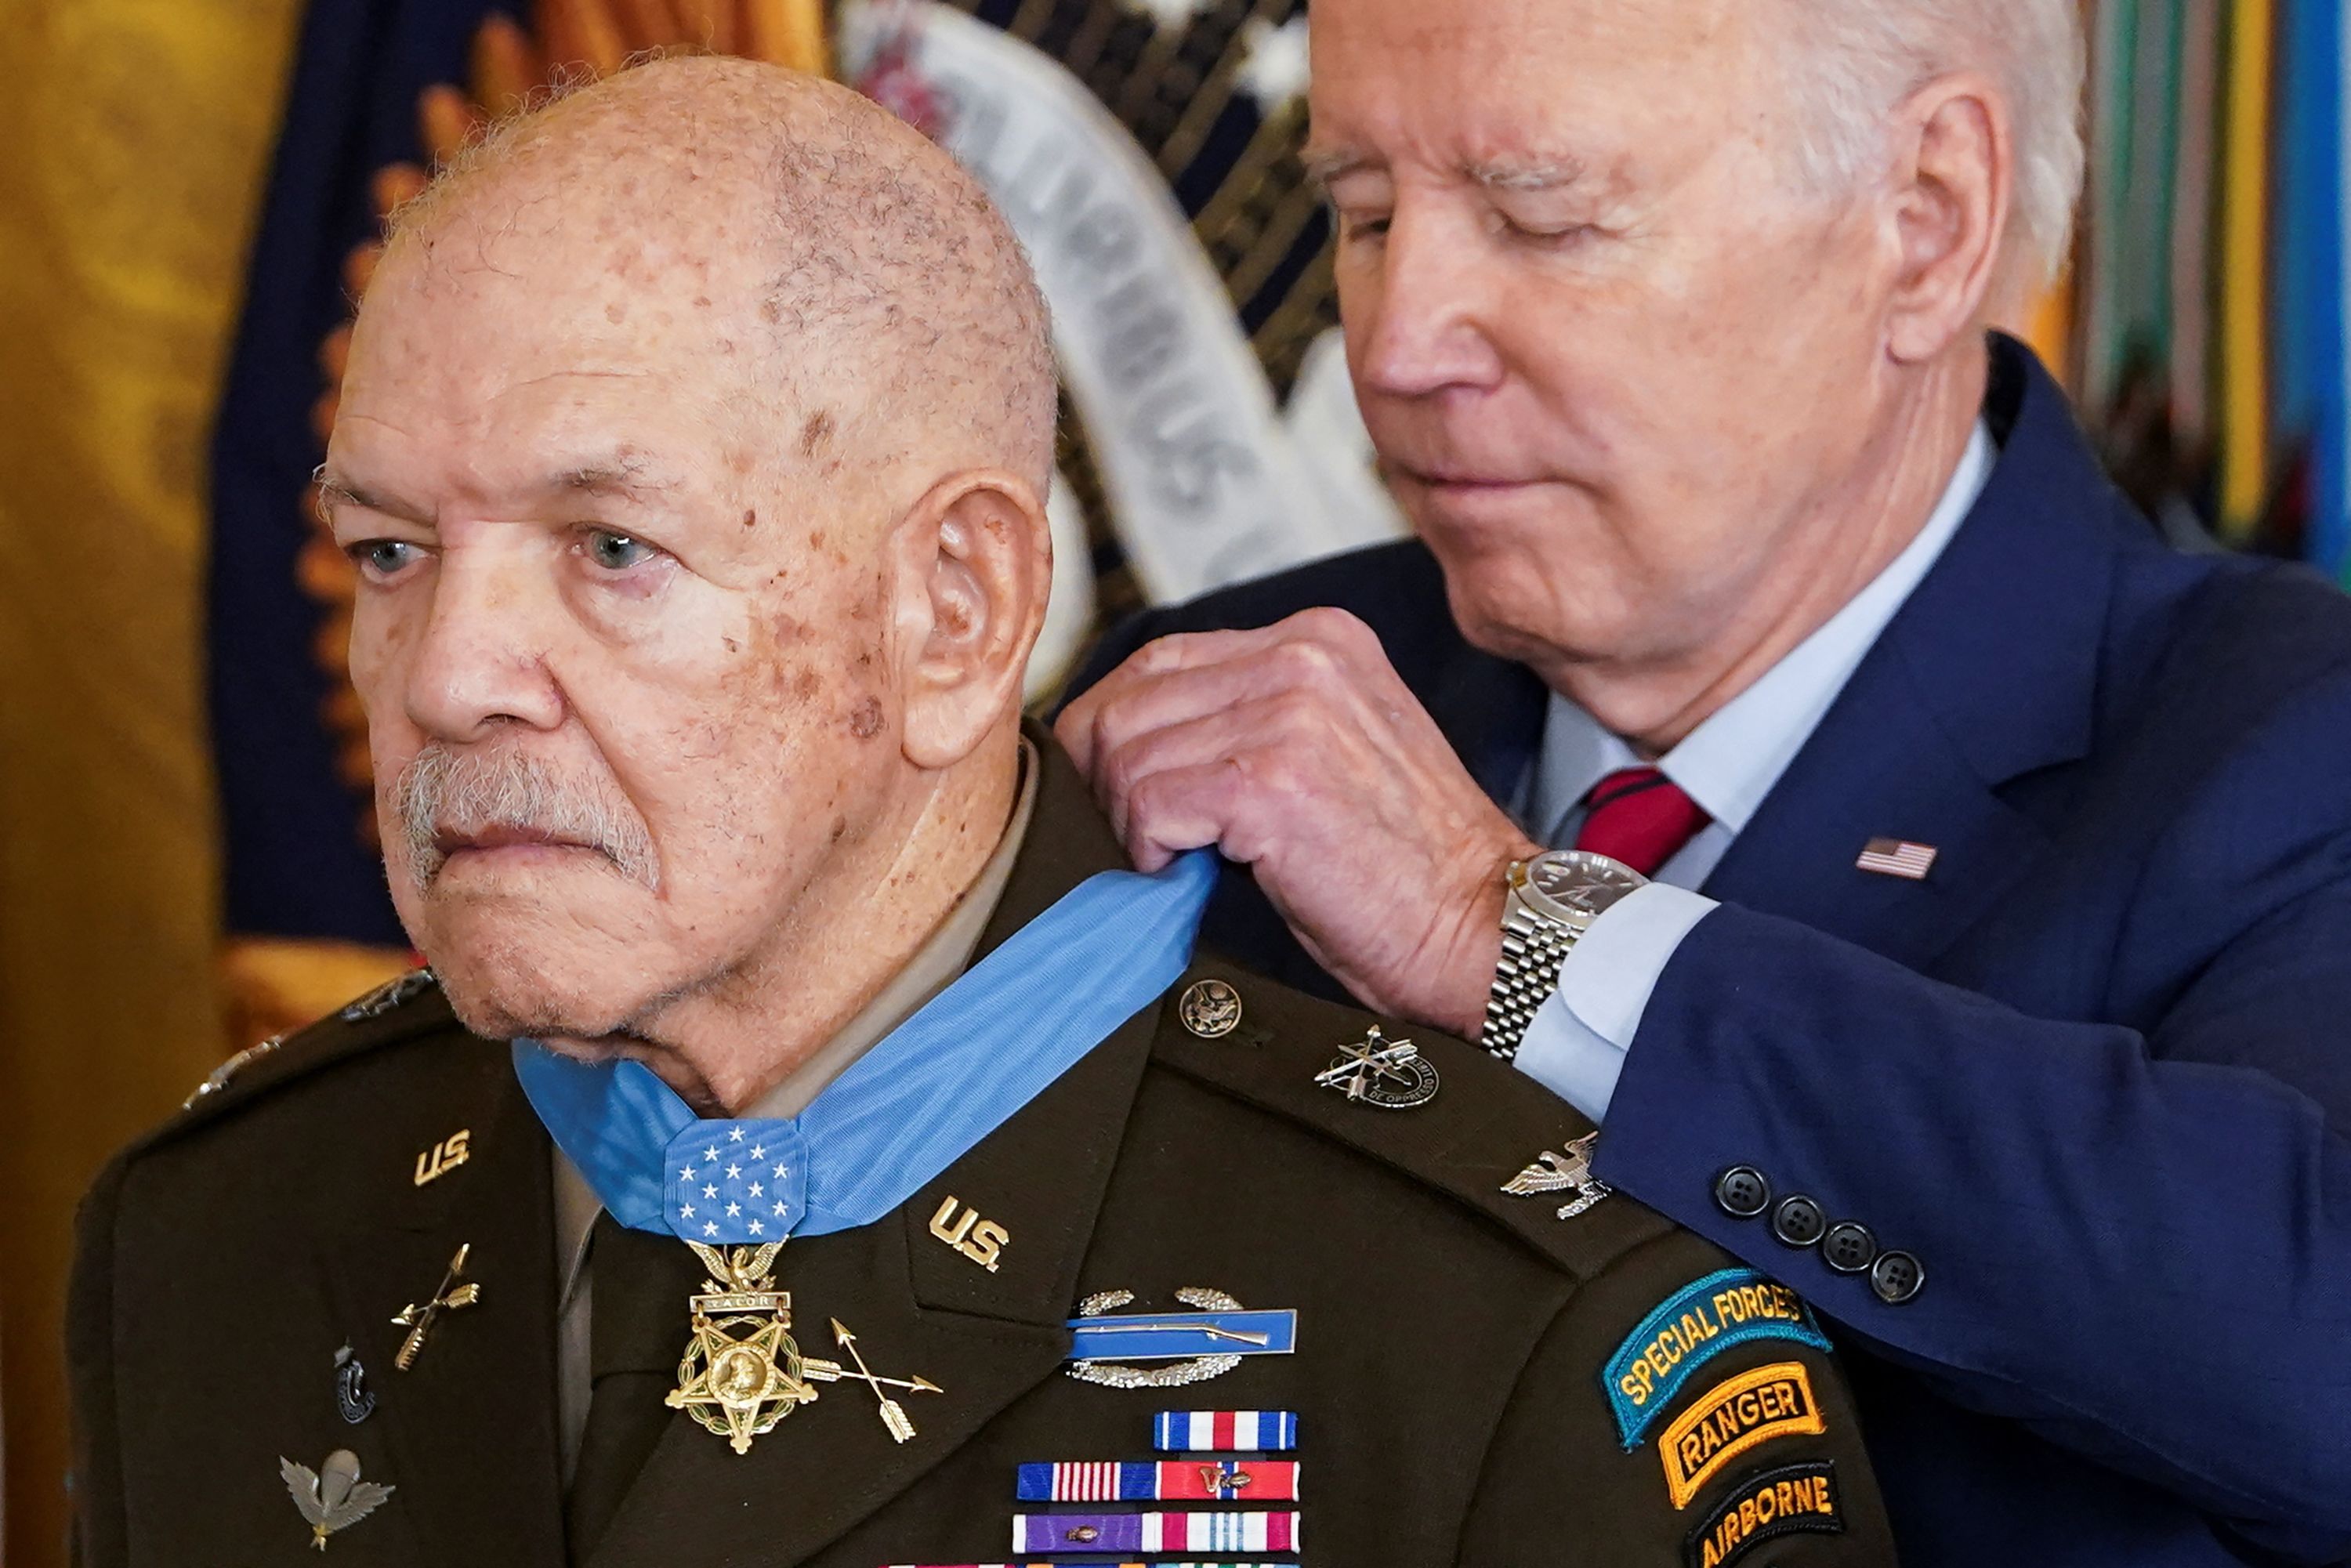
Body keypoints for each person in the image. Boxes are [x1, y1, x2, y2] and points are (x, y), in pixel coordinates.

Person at [67, 56, 1898, 1568]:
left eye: (611, 547)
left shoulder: (1506, 1331)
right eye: (390, 549)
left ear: (953, 609)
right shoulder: (213, 1233)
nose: (449, 670)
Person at [1055, 0, 2351, 1563]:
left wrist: (1517, 928)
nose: (1394, 344)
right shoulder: (1215, 690)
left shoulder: (2284, 738)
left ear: (1926, 221)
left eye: (1546, 219)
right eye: (1366, 214)